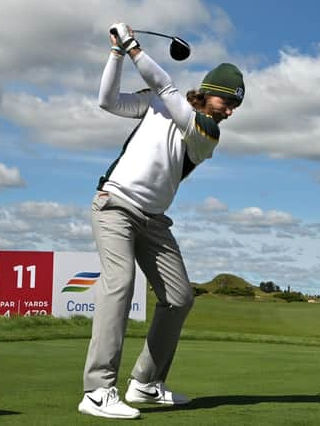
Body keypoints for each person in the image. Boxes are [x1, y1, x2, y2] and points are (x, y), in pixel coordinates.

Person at [77, 22, 244, 420]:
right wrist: (117, 53)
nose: (231, 112)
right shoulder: (156, 101)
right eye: (228, 102)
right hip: (115, 205)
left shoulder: (206, 132)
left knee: (180, 298)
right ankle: (98, 390)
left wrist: (132, 45)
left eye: (236, 106)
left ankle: (145, 383)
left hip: (154, 221)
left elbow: (168, 90)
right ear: (211, 94)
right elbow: (108, 102)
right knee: (119, 285)